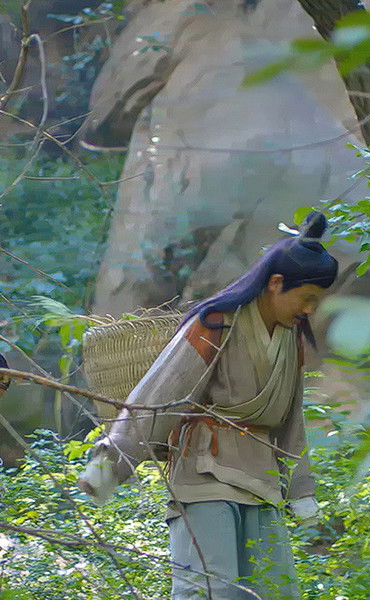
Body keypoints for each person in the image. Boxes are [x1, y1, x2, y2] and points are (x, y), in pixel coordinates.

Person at [78, 212, 338, 600]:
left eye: (317, 301)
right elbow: (161, 392)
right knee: (208, 589)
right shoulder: (216, 322)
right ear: (276, 283)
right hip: (205, 472)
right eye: (307, 298)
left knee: (274, 590)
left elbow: (291, 420)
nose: (311, 310)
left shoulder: (291, 340)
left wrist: (301, 489)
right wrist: (112, 461)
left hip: (262, 478)